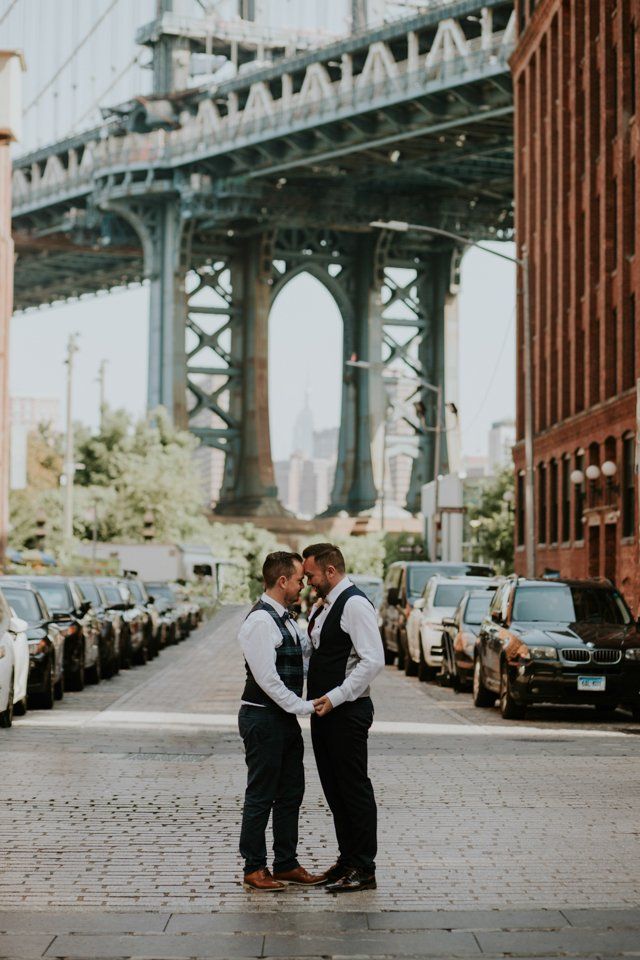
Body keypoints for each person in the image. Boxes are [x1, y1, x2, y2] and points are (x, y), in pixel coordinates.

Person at [237, 551, 324, 892]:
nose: (304, 584)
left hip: (283, 717)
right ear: (282, 580)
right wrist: (303, 707)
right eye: (300, 579)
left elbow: (304, 656)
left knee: (290, 792)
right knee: (262, 793)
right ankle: (254, 867)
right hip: (262, 716)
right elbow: (267, 680)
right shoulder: (260, 622)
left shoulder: (286, 617)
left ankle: (285, 863)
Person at [302, 542, 385, 892]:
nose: (308, 582)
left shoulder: (354, 605)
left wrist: (336, 697)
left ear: (331, 571)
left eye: (311, 575)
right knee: (334, 790)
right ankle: (348, 858)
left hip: (347, 712)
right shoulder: (324, 606)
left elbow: (373, 660)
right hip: (325, 713)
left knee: (353, 789)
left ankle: (364, 868)